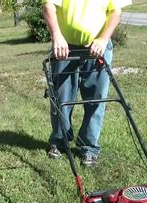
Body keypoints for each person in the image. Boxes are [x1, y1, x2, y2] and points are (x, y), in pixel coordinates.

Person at [42, 0, 131, 167]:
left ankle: (89, 148)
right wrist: (57, 36)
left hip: (98, 47)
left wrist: (103, 38)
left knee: (96, 100)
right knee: (61, 99)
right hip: (65, 47)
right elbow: (48, 6)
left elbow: (116, 12)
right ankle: (60, 141)